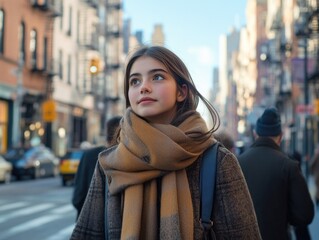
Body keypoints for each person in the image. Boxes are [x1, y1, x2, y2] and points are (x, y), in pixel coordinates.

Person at [70, 45, 261, 239]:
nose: (143, 87)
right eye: (135, 81)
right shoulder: (110, 164)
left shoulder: (217, 161)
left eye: (157, 77)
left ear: (182, 92)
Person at [238, 107, 314, 240]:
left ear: (256, 134)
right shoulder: (289, 165)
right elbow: (305, 215)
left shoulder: (238, 163)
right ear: (281, 136)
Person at [72, 116, 121, 219]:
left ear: (105, 134)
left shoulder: (89, 155)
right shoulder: (127, 159)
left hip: (87, 219)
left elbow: (78, 197)